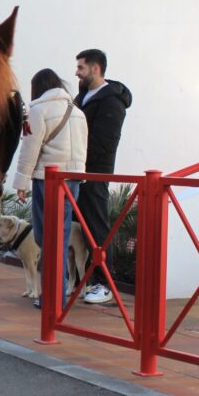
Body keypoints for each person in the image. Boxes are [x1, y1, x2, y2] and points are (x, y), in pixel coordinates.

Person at [11, 68, 88, 310]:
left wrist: (21, 183)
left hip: (48, 179)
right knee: (59, 237)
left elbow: (29, 148)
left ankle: (53, 299)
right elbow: (83, 148)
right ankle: (56, 296)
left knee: (47, 238)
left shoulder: (38, 110)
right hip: (72, 180)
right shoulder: (77, 112)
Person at [74, 49, 134, 304]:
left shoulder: (111, 101)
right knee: (77, 229)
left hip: (94, 174)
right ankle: (78, 281)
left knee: (96, 227)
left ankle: (104, 283)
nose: (77, 72)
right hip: (76, 172)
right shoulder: (83, 96)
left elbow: (104, 142)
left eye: (81, 67)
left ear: (95, 68)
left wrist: (83, 165)